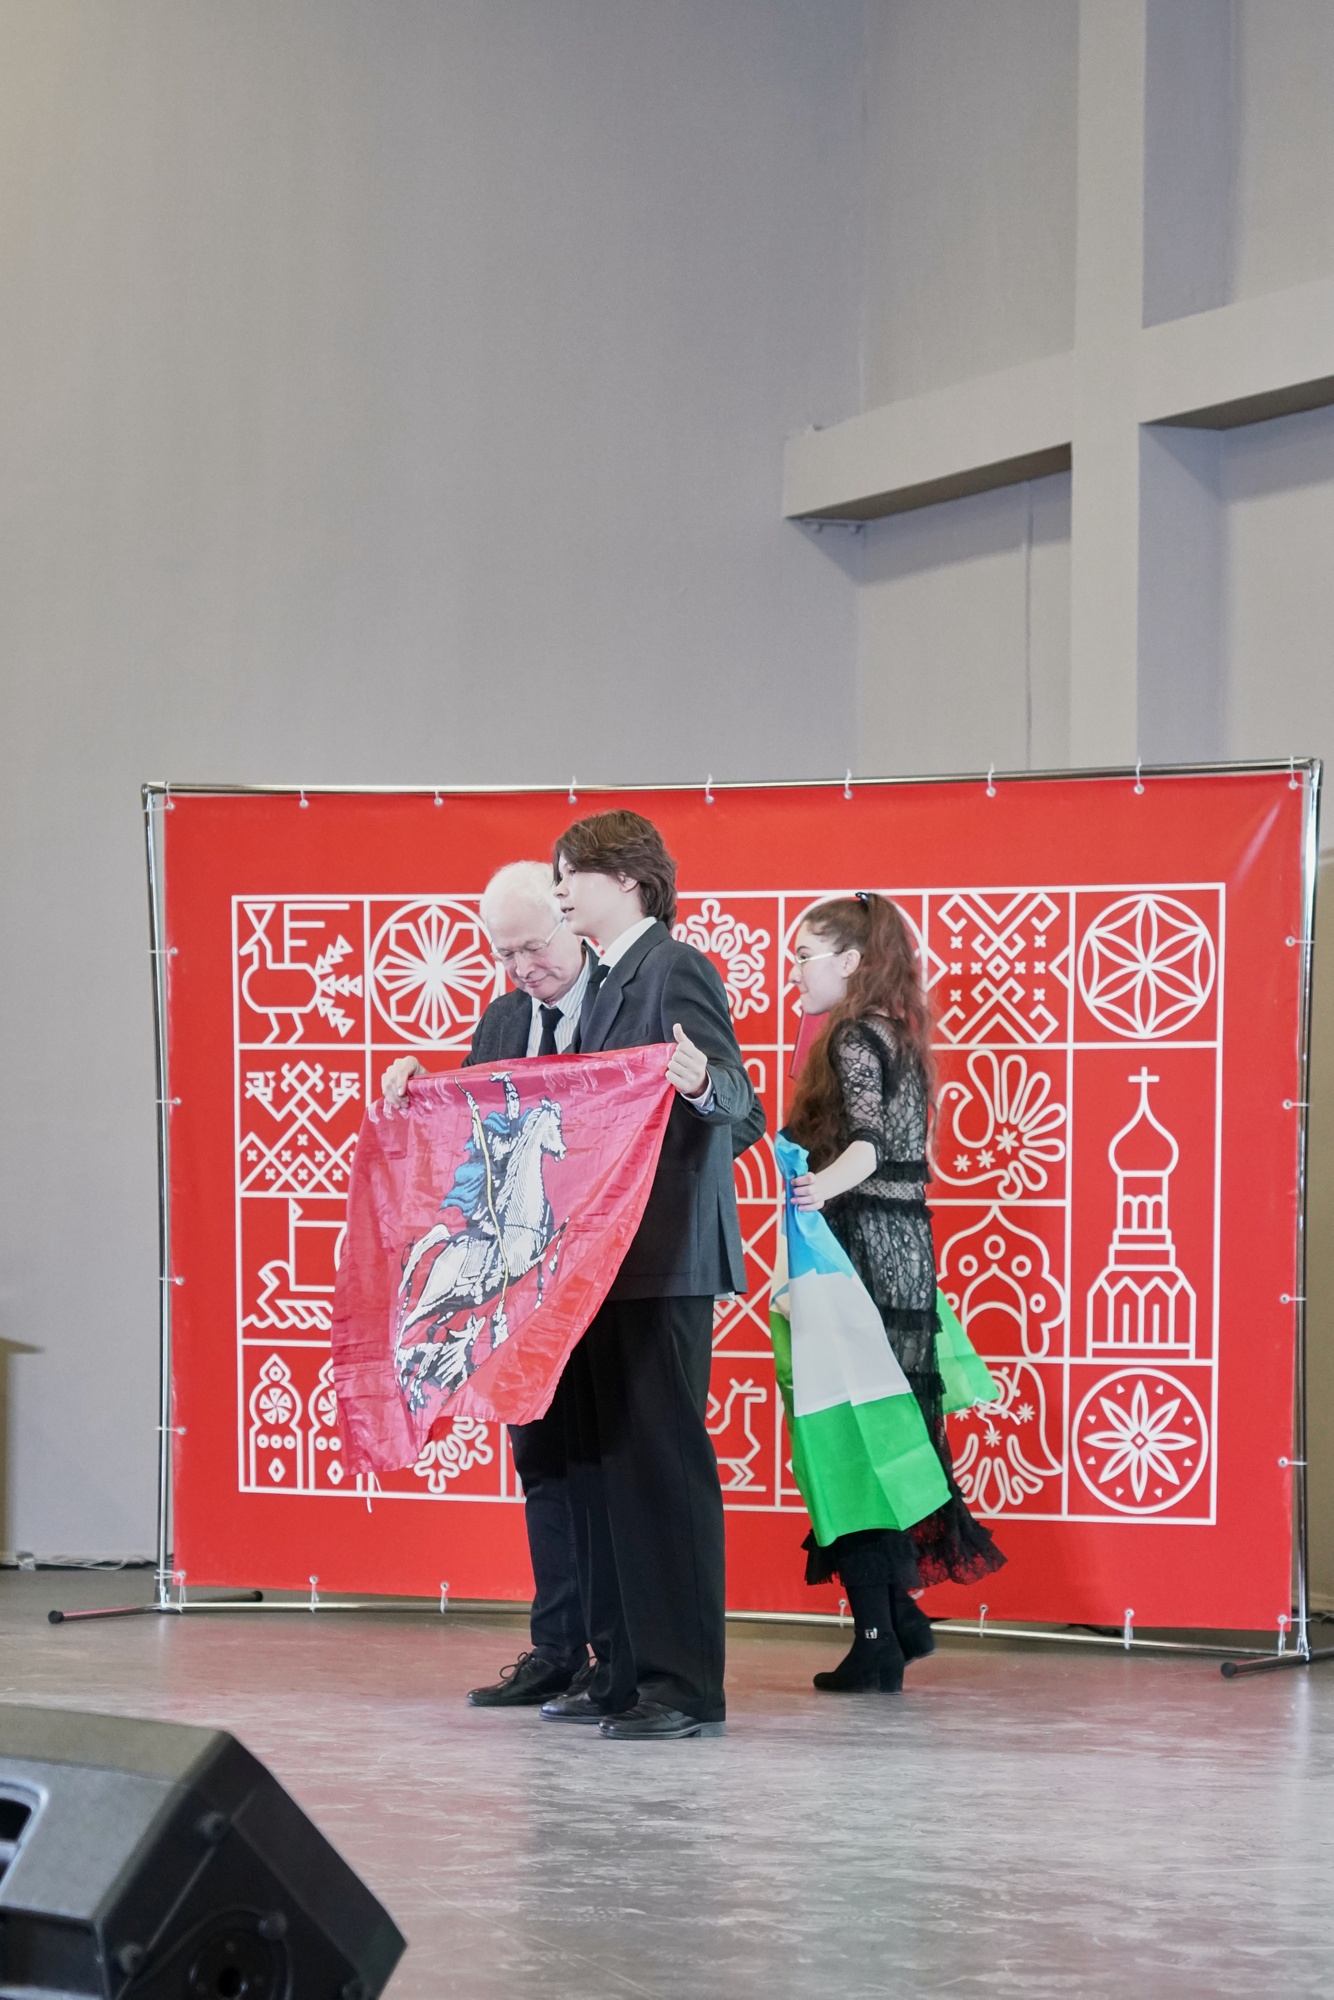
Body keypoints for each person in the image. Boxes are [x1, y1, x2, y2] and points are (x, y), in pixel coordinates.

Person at [539, 809, 764, 1740]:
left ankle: (684, 1686)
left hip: (662, 1260)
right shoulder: (599, 984)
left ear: (628, 879)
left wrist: (700, 1082)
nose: (559, 890)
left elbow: (742, 1106)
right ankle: (625, 1673)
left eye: (572, 873)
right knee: (611, 1473)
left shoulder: (675, 968)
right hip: (602, 1263)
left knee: (662, 1472)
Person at [381, 860, 595, 1710]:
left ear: (572, 919)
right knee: (541, 1464)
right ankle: (557, 1648)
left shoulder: (625, 1003)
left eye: (533, 948)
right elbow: (471, 1134)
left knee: (608, 1470)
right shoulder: (505, 1018)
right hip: (522, 1284)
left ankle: (618, 1655)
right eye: (505, 955)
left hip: (608, 1281)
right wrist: (419, 1088)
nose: (522, 970)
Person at [785, 892, 1004, 1693]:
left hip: (858, 1258)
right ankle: (896, 1622)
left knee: (849, 1437)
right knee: (884, 1433)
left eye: (803, 956)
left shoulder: (851, 1038)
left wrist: (815, 1190)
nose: (793, 974)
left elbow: (870, 1148)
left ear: (849, 961)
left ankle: (878, 1638)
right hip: (905, 1256)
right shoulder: (899, 1037)